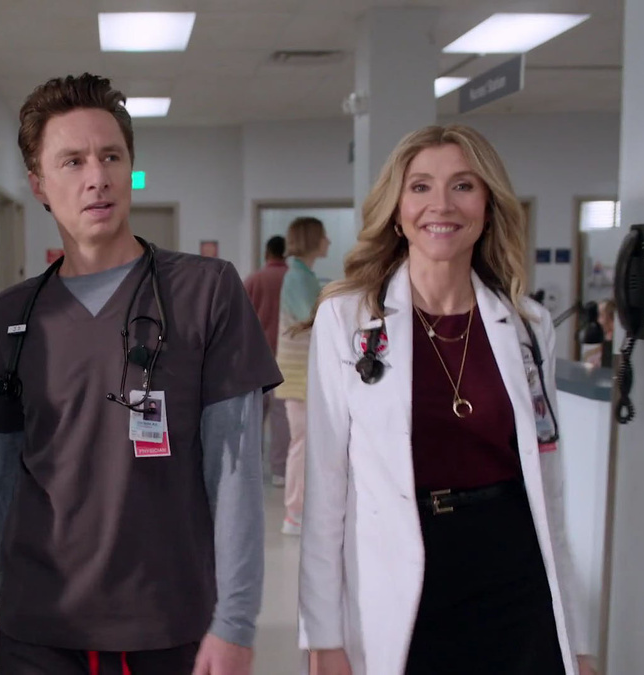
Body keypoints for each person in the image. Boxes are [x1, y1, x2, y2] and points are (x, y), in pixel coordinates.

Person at [0, 73, 282, 675]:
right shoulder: (15, 314)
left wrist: (235, 621)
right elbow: (0, 477)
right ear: (38, 185)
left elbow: (235, 472)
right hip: (37, 625)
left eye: (111, 157)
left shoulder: (206, 291)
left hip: (166, 620)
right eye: (73, 161)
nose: (98, 177)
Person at [297, 124, 595, 675]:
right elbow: (325, 493)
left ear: (487, 205)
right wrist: (323, 637)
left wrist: (575, 640)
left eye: (463, 185)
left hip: (515, 577)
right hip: (404, 582)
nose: (442, 204)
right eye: (420, 187)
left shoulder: (527, 325)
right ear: (396, 210)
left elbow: (549, 492)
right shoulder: (348, 319)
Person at [273, 217, 329, 535]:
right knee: (302, 443)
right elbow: (314, 319)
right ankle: (294, 512)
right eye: (323, 236)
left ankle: (300, 509)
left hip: (304, 374)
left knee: (306, 443)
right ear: (312, 240)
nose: (328, 242)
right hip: (298, 375)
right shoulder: (297, 277)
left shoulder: (303, 275)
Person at [243, 236, 291, 486]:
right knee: (282, 418)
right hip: (286, 357)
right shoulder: (291, 279)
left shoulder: (254, 280)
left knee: (253, 416)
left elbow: (239, 318)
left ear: (267, 252)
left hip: (256, 357)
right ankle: (280, 470)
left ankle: (251, 467)